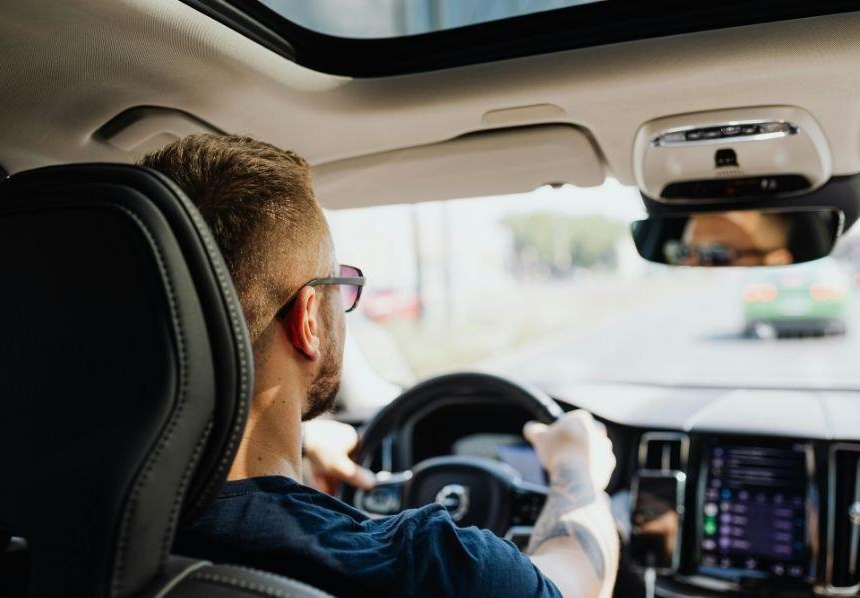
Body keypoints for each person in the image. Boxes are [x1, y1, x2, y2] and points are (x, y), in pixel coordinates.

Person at [141, 134, 619, 597]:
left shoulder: (84, 519)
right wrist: (576, 469)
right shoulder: (422, 568)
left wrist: (294, 450)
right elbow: (579, 578)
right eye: (340, 285)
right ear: (308, 320)